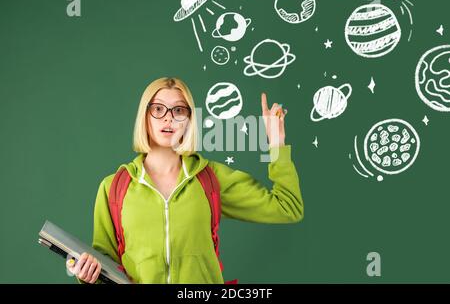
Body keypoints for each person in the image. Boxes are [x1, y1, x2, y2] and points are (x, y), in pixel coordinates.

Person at [67, 77, 304, 284]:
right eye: (158, 109)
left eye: (179, 110)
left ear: (189, 120)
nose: (168, 119)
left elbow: (288, 208)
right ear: (145, 117)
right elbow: (104, 266)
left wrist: (276, 144)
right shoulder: (114, 187)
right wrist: (86, 273)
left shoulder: (211, 178)